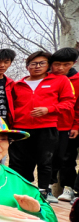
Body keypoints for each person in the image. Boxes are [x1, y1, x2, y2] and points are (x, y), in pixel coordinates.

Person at [8, 51, 74, 202]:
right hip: (20, 128)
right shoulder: (17, 85)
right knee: (18, 162)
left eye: (42, 63)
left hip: (46, 126)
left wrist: (49, 109)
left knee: (45, 161)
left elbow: (69, 102)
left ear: (48, 65)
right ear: (27, 66)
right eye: (34, 63)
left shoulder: (60, 81)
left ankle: (44, 192)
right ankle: (21, 190)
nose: (37, 66)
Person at [48, 48, 79, 202]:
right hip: (48, 124)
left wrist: (76, 125)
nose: (60, 68)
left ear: (74, 63)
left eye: (65, 64)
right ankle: (47, 187)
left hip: (68, 125)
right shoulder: (45, 78)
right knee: (50, 157)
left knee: (68, 158)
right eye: (57, 64)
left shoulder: (77, 80)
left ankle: (69, 188)